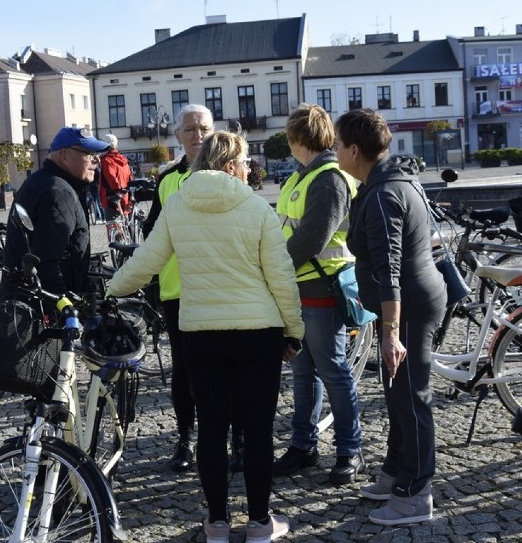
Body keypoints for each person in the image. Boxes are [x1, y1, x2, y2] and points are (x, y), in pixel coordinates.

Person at [109, 130, 302, 542]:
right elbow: (282, 279)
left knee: (212, 429)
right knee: (257, 430)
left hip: (201, 334)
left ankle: (215, 522)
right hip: (258, 333)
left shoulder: (177, 204)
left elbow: (146, 261)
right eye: (247, 161)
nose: (250, 169)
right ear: (231, 165)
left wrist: (109, 290)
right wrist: (294, 331)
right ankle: (259, 523)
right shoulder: (256, 207)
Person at [335, 108, 445, 525]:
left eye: (337, 145)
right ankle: (396, 474)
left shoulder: (383, 194)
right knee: (397, 391)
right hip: (408, 302)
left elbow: (390, 270)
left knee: (412, 397)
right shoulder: (388, 180)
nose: (334, 151)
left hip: (408, 306)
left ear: (355, 149)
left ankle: (417, 493)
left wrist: (391, 332)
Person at [273, 104, 364, 484]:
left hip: (322, 289)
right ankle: (303, 446)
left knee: (333, 371)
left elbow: (311, 238)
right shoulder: (304, 176)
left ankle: (349, 450)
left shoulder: (328, 178)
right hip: (301, 289)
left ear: (297, 139)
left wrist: (273, 267)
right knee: (303, 371)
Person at [140, 104, 213, 473]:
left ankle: (232, 438)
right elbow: (151, 233)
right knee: (184, 370)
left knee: (221, 369)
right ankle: (185, 438)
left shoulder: (226, 174)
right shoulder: (167, 180)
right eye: (190, 129)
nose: (197, 135)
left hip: (220, 289)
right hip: (178, 292)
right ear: (177, 136)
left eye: (203, 128)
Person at [0, 126, 109, 298]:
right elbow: (46, 264)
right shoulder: (59, 192)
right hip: (44, 308)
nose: (97, 160)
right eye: (88, 153)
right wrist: (66, 306)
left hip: (23, 299)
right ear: (64, 155)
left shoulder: (41, 180)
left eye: (97, 154)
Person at [98, 133, 132, 220]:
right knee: (126, 225)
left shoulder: (106, 160)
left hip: (111, 198)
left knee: (113, 227)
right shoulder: (123, 159)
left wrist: (117, 190)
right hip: (125, 196)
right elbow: (130, 178)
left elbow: (111, 179)